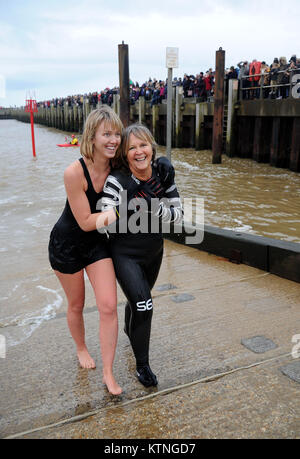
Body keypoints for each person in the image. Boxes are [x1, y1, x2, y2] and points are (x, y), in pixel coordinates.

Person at [100, 123, 183, 388]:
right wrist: (130, 206)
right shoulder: (117, 180)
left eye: (143, 145)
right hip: (125, 254)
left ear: (152, 147)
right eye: (131, 148)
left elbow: (178, 214)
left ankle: (129, 329)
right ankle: (143, 366)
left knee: (138, 300)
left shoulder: (162, 173)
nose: (139, 152)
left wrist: (153, 208)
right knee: (145, 306)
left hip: (154, 252)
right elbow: (104, 219)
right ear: (124, 154)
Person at [48, 106, 123, 395]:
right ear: (91, 137)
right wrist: (123, 212)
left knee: (107, 305)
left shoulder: (118, 168)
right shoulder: (73, 172)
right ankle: (81, 348)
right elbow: (86, 221)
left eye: (117, 133)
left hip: (96, 245)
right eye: (107, 134)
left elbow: (144, 167)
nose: (113, 139)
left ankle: (108, 372)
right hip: (66, 244)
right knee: (76, 304)